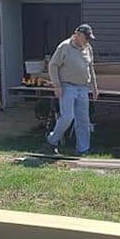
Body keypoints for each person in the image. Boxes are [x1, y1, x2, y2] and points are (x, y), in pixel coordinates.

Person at [46, 24, 99, 155]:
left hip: (83, 88)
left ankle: (83, 149)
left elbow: (90, 68)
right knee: (67, 117)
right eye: (86, 38)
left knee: (83, 120)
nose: (88, 41)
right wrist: (56, 85)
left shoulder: (88, 48)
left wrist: (94, 86)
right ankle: (52, 141)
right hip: (67, 86)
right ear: (78, 35)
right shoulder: (64, 47)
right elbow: (53, 65)